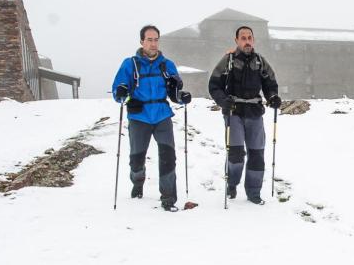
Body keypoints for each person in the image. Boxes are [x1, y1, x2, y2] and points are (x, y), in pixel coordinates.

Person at [112, 25, 190, 212]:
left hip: (162, 115)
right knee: (136, 159)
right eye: (149, 40)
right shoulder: (130, 64)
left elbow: (174, 92)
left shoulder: (167, 65)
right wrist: (124, 94)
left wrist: (181, 96)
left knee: (168, 157)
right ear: (141, 41)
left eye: (156, 39)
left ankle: (168, 198)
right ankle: (138, 182)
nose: (153, 43)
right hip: (139, 116)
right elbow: (119, 92)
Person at [208, 26, 281, 205]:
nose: (247, 41)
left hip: (255, 111)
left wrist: (272, 97)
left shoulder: (260, 62)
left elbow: (270, 83)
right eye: (243, 38)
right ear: (237, 40)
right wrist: (223, 100)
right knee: (236, 154)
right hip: (234, 111)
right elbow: (214, 85)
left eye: (249, 37)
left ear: (253, 40)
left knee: (257, 154)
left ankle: (254, 192)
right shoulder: (229, 60)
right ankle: (232, 183)